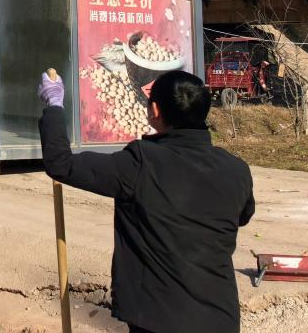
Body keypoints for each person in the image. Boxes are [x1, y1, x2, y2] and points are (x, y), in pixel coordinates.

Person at [37, 69, 255, 333]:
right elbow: (242, 216)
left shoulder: (141, 163)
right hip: (221, 319)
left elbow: (61, 163)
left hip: (159, 319)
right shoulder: (237, 170)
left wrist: (54, 106)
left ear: (155, 110)